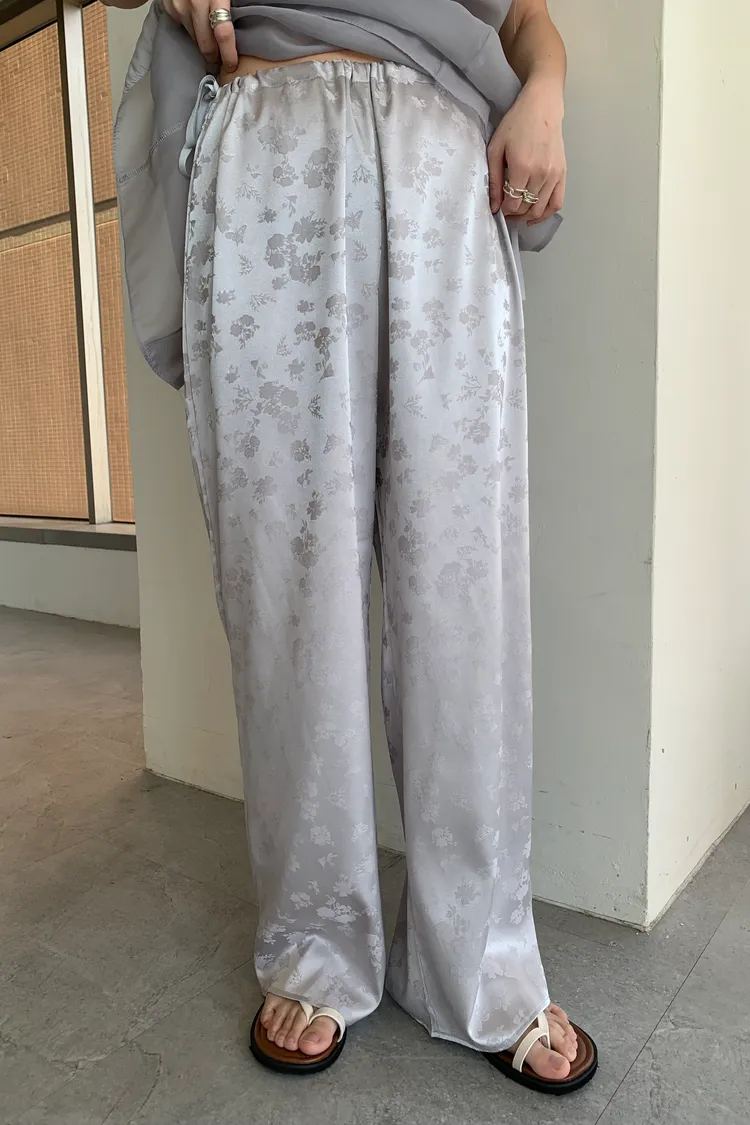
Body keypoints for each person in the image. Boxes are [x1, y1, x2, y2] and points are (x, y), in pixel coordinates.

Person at [107, 0, 597, 1094]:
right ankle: (316, 940)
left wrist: (546, 97)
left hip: (442, 164)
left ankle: (482, 958)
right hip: (267, 147)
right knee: (290, 592)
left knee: (464, 590)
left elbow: (522, 14)